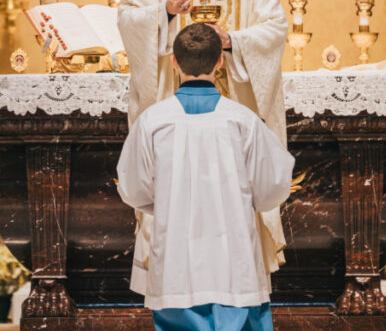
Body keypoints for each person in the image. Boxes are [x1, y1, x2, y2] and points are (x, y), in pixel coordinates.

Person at [118, 0, 289, 293]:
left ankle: (239, 286)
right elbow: (128, 18)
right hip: (174, 111)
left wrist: (231, 41)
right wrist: (163, 11)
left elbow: (275, 28)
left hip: (236, 109)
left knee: (235, 199)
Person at [116, 24, 295, 331]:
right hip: (233, 260)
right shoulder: (242, 121)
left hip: (176, 262)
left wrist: (168, 204)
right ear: (220, 62)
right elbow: (272, 189)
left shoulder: (153, 122)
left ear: (174, 61)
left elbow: (134, 190)